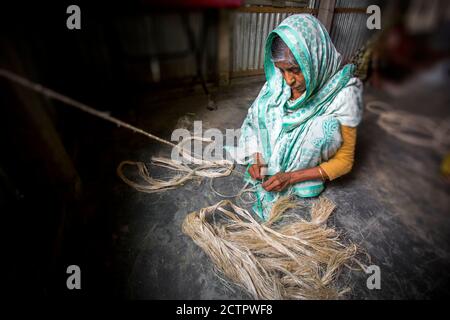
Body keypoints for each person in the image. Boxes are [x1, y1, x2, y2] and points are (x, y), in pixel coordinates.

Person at [225, 14, 363, 220]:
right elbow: (255, 123)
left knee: (324, 126)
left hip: (304, 172)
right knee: (266, 106)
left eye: (295, 70)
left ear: (315, 60)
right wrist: (257, 157)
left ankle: (293, 172)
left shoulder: (345, 94)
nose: (288, 80)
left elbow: (344, 161)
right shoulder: (278, 84)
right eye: (281, 71)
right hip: (269, 161)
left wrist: (291, 177)